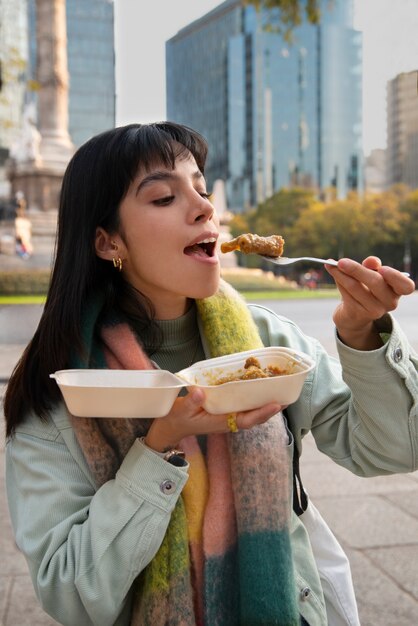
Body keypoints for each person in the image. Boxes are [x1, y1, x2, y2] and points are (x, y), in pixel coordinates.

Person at [3, 122, 417, 626]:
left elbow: (392, 447)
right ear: (108, 242)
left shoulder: (265, 342)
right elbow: (68, 593)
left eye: (201, 188)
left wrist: (363, 334)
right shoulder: (61, 392)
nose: (204, 207)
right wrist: (159, 448)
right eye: (163, 197)